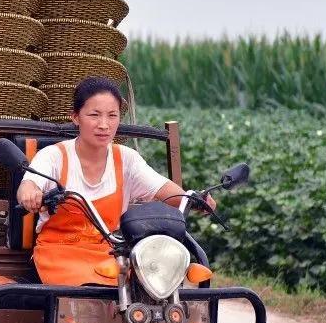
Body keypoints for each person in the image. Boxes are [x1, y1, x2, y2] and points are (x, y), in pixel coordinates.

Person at [16, 76, 215, 286]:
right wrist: (30, 192)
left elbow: (164, 190)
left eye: (112, 116)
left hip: (112, 254)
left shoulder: (126, 159)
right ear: (75, 117)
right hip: (59, 254)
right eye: (94, 115)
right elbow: (29, 183)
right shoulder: (53, 156)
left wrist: (195, 199)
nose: (104, 125)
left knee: (150, 288)